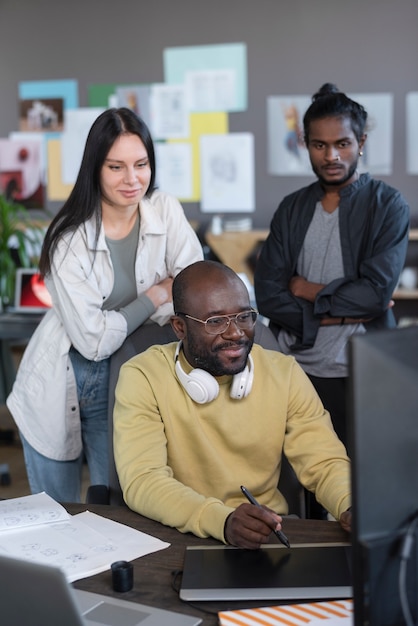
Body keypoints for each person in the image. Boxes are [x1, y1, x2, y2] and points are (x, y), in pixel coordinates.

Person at [7, 107, 203, 503]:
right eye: (116, 167)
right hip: (68, 378)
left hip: (129, 371)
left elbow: (192, 288)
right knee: (57, 514)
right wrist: (155, 295)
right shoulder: (69, 238)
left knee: (116, 504)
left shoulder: (164, 208)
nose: (132, 180)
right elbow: (93, 342)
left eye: (141, 164)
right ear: (95, 168)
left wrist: (170, 294)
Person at [113, 260, 351, 549]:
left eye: (243, 316)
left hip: (268, 533)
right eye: (215, 321)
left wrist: (349, 503)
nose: (236, 333)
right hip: (177, 535)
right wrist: (221, 521)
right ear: (179, 327)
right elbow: (143, 480)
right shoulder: (143, 375)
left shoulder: (283, 371)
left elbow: (324, 461)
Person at [254, 83, 410, 452]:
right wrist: (339, 310)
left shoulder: (387, 206)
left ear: (361, 142)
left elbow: (374, 295)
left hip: (361, 367)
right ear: (305, 142)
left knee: (357, 479)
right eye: (319, 145)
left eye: (342, 144)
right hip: (294, 367)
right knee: (302, 480)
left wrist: (308, 289)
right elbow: (268, 295)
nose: (331, 156)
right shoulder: (291, 208)